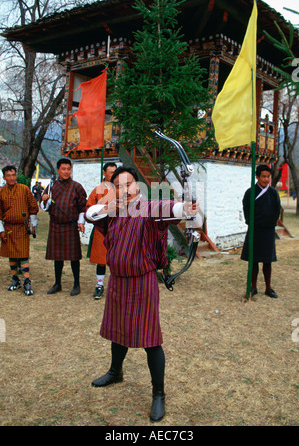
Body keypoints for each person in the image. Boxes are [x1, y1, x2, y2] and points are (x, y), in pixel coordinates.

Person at [86, 166, 199, 422]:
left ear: (137, 187)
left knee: (150, 339)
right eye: (118, 186)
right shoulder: (112, 213)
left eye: (128, 184)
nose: (124, 190)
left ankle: (159, 394)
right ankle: (116, 372)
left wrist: (186, 208)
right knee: (117, 330)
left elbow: (172, 208)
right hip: (118, 282)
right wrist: (108, 207)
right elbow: (90, 214)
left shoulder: (150, 208)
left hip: (142, 282)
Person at [40, 158, 87, 296]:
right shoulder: (51, 186)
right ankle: (57, 283)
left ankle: (76, 284)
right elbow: (45, 207)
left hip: (70, 226)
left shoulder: (77, 186)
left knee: (74, 257)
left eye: (68, 169)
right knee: (57, 257)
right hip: (55, 225)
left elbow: (82, 207)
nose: (66, 171)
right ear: (58, 170)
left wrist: (80, 222)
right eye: (63, 169)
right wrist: (44, 200)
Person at [241, 164, 281, 298]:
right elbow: (246, 210)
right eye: (263, 176)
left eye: (268, 176)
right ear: (257, 177)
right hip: (255, 230)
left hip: (268, 231)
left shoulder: (273, 193)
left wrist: (271, 223)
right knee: (254, 260)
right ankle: (253, 287)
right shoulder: (250, 192)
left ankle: (268, 288)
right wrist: (252, 223)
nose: (266, 179)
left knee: (267, 261)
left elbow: (277, 210)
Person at [0, 165, 38, 296]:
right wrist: (1, 230)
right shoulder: (1, 192)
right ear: (4, 177)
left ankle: (27, 281)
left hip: (22, 227)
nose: (11, 178)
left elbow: (33, 207)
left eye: (13, 175)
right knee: (11, 254)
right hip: (8, 228)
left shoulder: (24, 189)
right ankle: (15, 280)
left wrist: (33, 225)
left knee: (23, 255)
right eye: (8, 175)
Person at [86, 162, 117, 299]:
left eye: (115, 171)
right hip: (101, 228)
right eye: (110, 172)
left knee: (118, 258)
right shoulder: (98, 189)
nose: (113, 174)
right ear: (104, 173)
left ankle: (117, 286)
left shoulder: (121, 189)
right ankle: (99, 285)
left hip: (118, 228)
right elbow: (89, 207)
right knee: (101, 259)